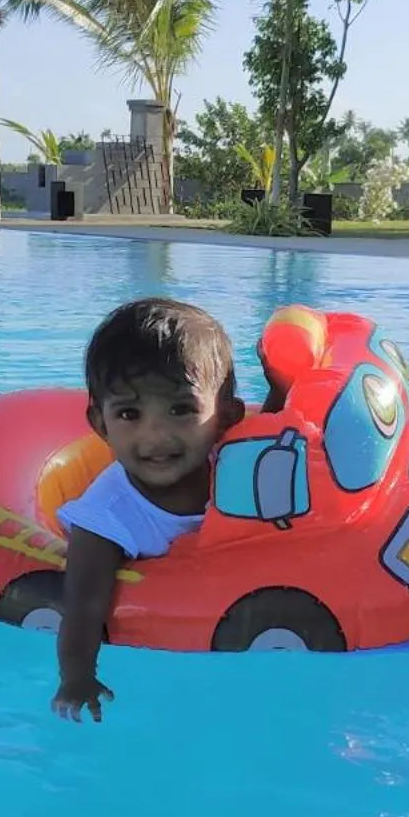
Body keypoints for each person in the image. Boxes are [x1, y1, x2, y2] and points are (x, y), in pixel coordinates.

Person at [53, 298, 246, 722]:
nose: (155, 436)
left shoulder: (242, 472)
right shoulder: (106, 520)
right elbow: (82, 608)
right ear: (100, 424)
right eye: (129, 413)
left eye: (181, 409)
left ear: (227, 416)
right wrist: (77, 677)